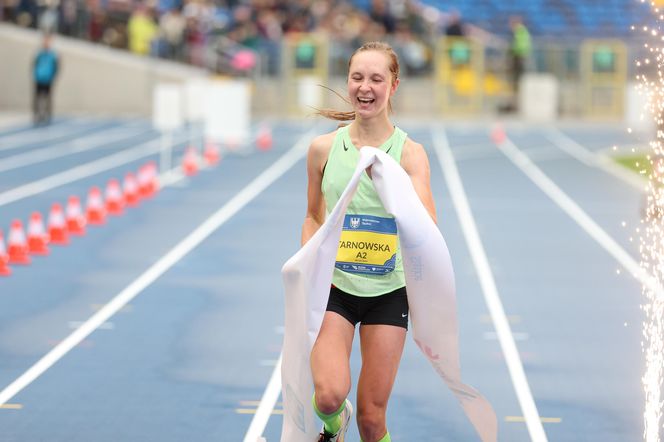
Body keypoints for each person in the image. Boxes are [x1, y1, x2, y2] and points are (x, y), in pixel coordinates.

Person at [302, 41, 437, 442]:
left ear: (393, 85)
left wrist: (391, 185)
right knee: (328, 395)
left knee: (372, 420)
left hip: (388, 291)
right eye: (358, 77)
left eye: (376, 78)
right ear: (347, 81)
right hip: (335, 287)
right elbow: (313, 215)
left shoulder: (410, 154)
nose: (365, 87)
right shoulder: (323, 149)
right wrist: (308, 265)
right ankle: (331, 428)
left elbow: (428, 226)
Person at [32, 33, 59, 125]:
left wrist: (52, 76)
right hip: (39, 78)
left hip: (48, 79)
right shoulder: (39, 53)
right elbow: (34, 65)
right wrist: (35, 75)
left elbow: (57, 66)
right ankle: (37, 115)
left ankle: (47, 115)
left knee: (47, 98)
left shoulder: (53, 54)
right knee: (38, 98)